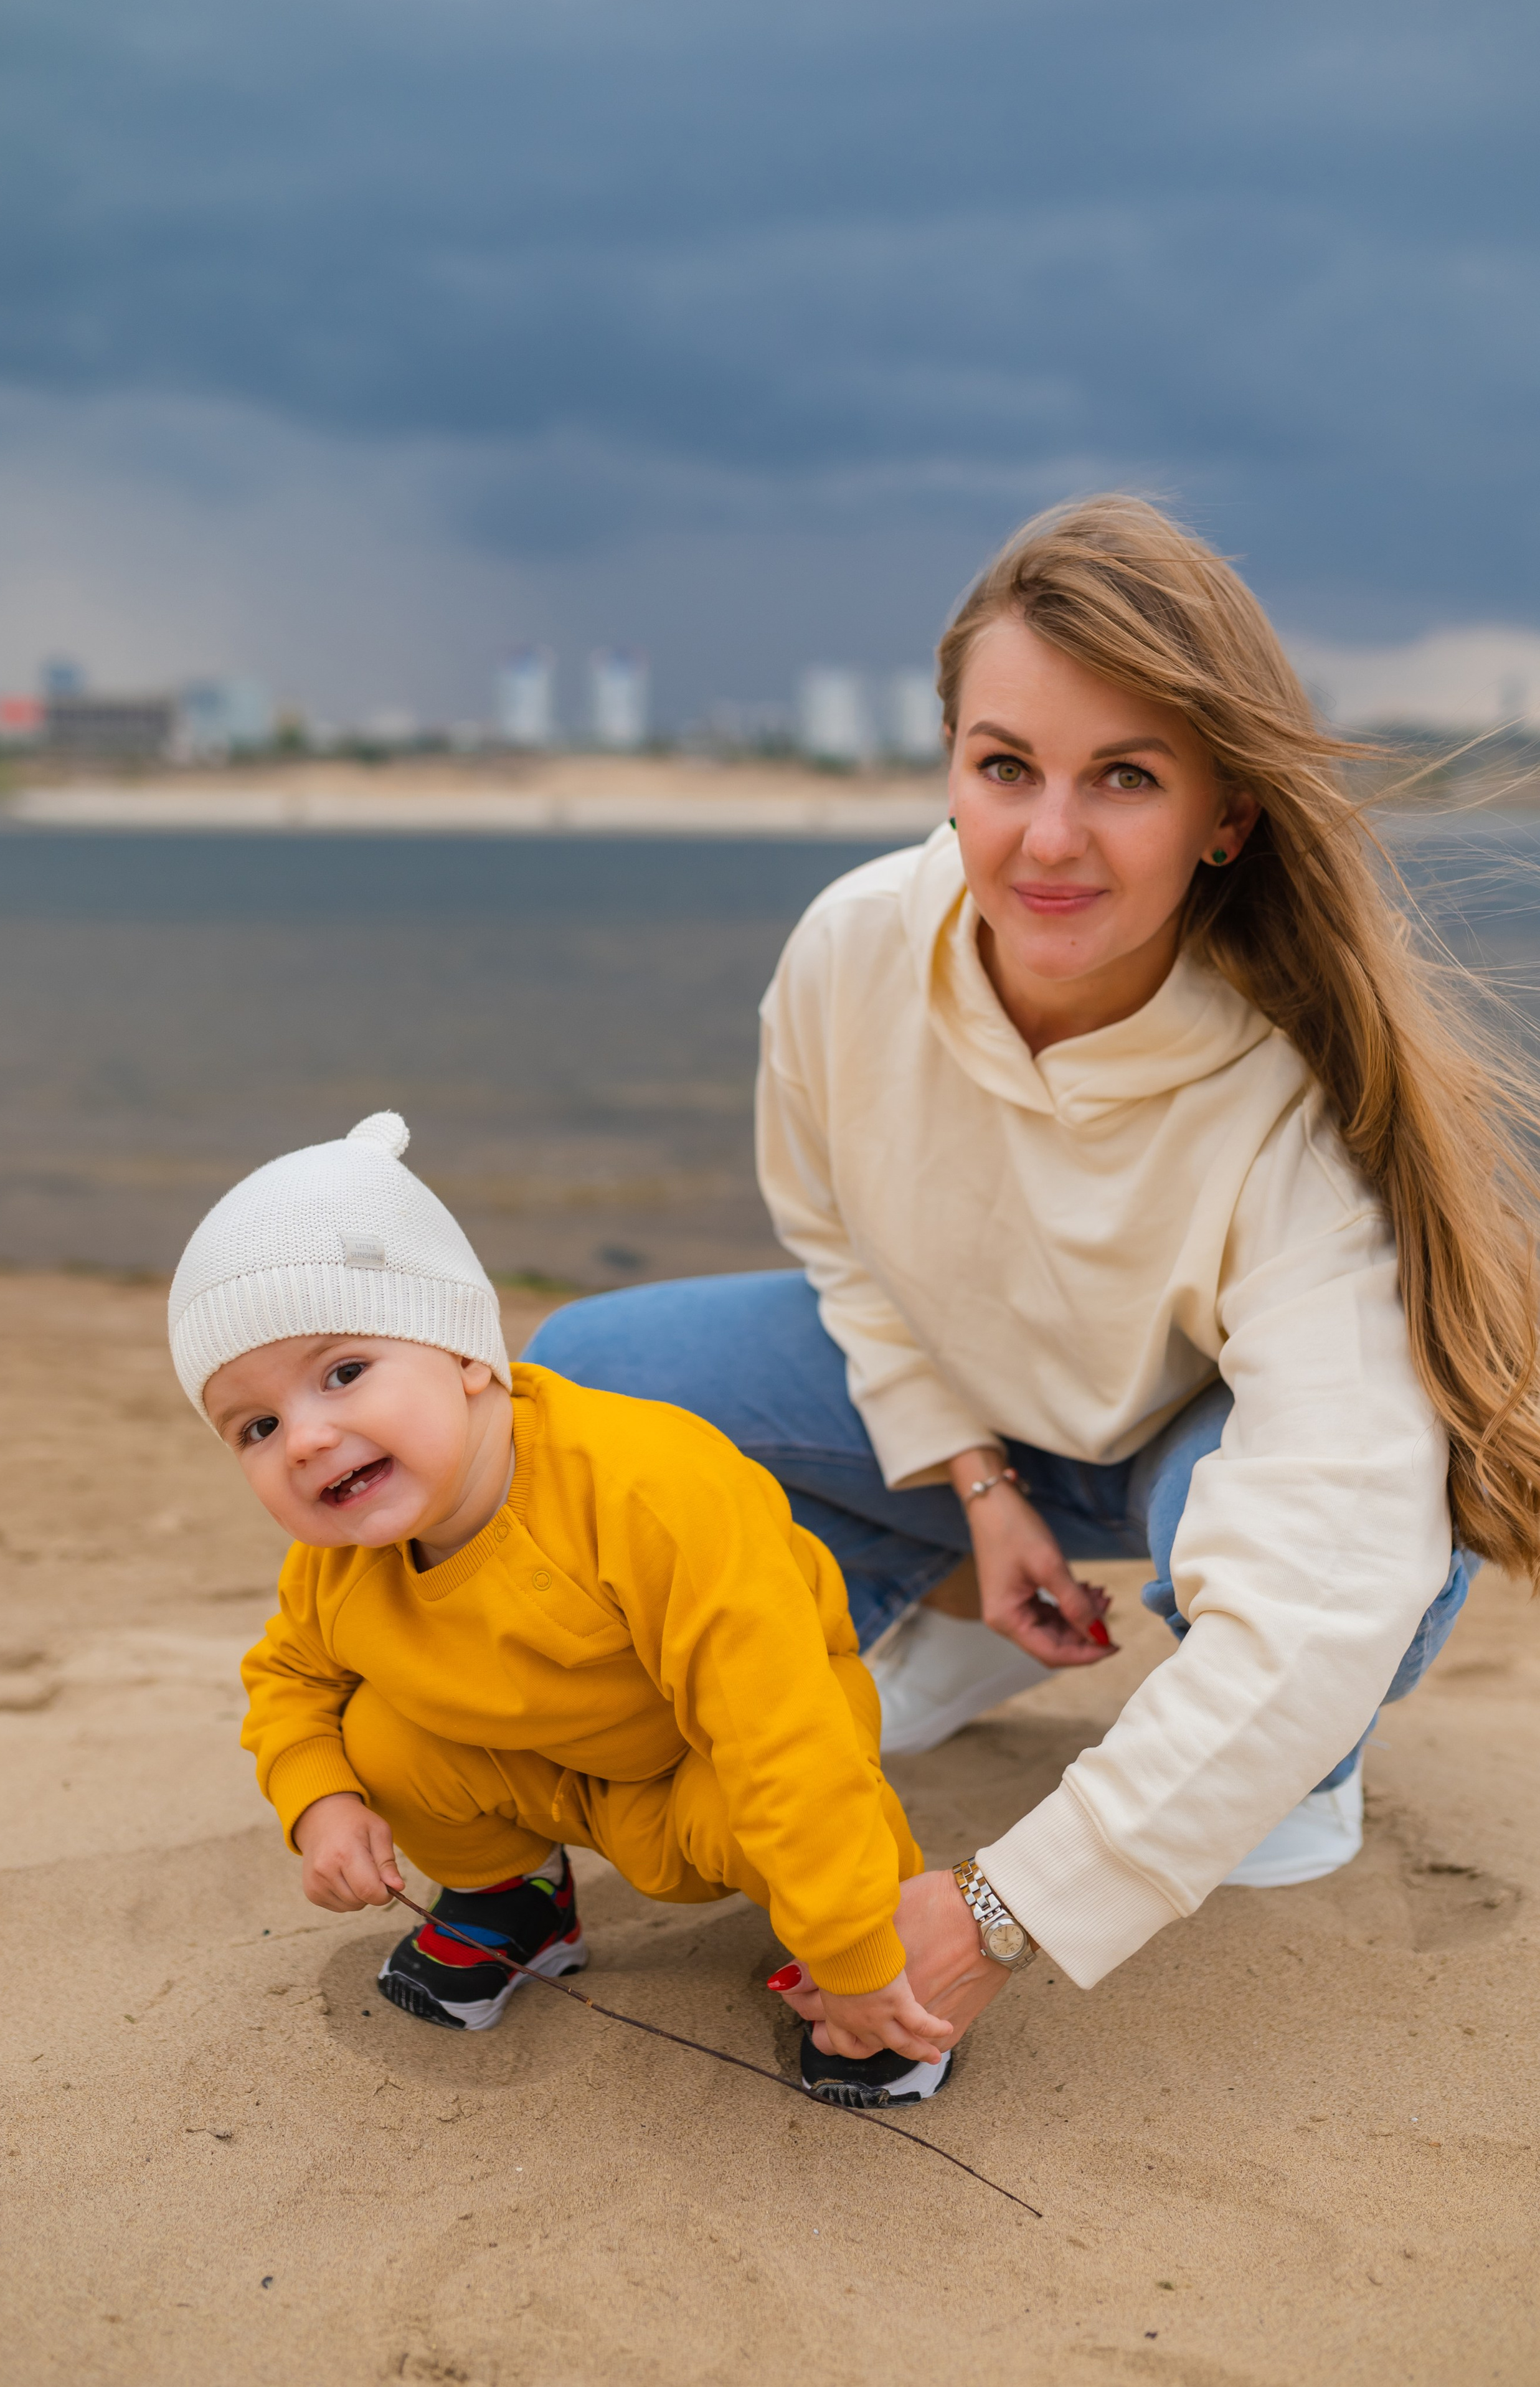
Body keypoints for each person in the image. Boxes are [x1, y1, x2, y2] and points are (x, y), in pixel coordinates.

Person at [527, 495, 1540, 2036]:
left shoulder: (1302, 1104)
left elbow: (1327, 1577)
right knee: (583, 1390)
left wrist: (1003, 1907)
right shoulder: (852, 947)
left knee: (1371, 1518)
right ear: (948, 761)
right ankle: (925, 1607)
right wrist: (979, 1493)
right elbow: (837, 1243)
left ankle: (1291, 1770)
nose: (1046, 838)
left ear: (1224, 815)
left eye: (1121, 778)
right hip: (999, 1430)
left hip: (1195, 1455)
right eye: (1004, 767)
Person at [168, 1111, 953, 2108]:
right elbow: (288, 1679)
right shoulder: (338, 1568)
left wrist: (856, 1955)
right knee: (371, 1735)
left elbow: (782, 1734)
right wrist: (320, 1800)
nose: (309, 1439)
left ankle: (881, 1940)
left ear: (464, 1352)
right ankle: (517, 1904)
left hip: (704, 1767)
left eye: (345, 1372)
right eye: (257, 1426)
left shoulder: (647, 1491)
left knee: (790, 1803)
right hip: (544, 1776)